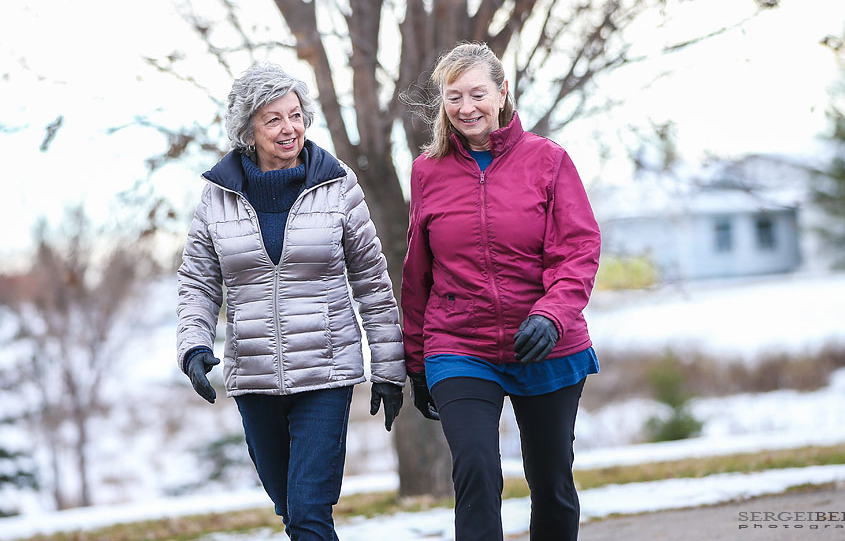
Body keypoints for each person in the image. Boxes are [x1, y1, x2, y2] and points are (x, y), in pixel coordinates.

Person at [176, 63, 405, 540]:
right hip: (255, 376)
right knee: (290, 510)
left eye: (296, 115)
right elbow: (199, 282)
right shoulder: (218, 197)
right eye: (274, 119)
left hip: (326, 372)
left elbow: (371, 281)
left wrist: (388, 368)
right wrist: (194, 347)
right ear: (248, 130)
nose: (289, 128)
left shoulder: (336, 184)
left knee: (308, 513)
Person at [401, 42, 602, 541]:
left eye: (477, 94)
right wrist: (416, 361)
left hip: (544, 342)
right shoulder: (427, 170)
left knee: (551, 481)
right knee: (475, 471)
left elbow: (578, 250)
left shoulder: (548, 160)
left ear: (502, 92)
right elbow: (417, 270)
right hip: (459, 344)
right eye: (454, 97)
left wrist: (552, 315)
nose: (466, 108)